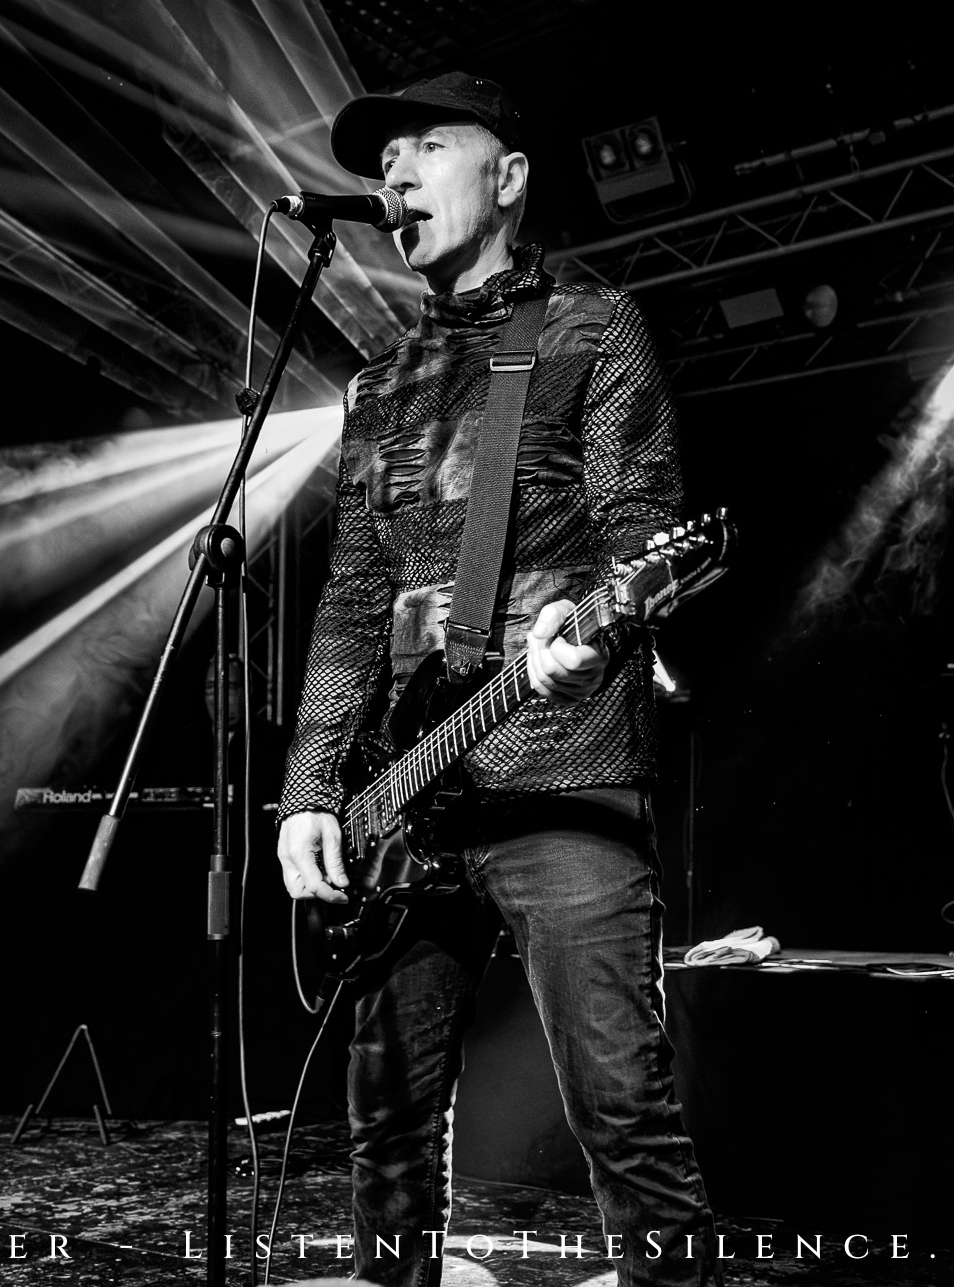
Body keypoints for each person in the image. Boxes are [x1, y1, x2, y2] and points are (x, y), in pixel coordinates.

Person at [274, 72, 719, 1287]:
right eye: (382, 161)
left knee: (621, 1110)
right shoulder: (380, 384)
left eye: (423, 145)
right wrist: (313, 787)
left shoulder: (591, 329)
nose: (393, 175)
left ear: (508, 174)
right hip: (403, 799)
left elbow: (645, 537)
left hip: (558, 777)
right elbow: (354, 602)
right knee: (385, 1129)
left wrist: (601, 624)